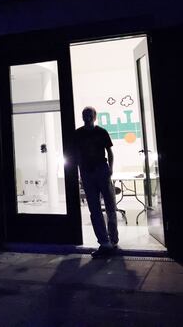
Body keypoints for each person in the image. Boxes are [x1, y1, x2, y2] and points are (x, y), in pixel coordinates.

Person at [71, 106, 119, 257]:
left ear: (95, 116)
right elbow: (77, 154)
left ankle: (113, 239)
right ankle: (104, 243)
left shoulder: (102, 132)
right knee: (95, 209)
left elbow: (109, 152)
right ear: (82, 116)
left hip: (102, 171)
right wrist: (81, 172)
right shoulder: (78, 133)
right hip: (87, 173)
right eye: (85, 114)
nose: (87, 116)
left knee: (110, 206)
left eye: (90, 114)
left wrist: (110, 168)